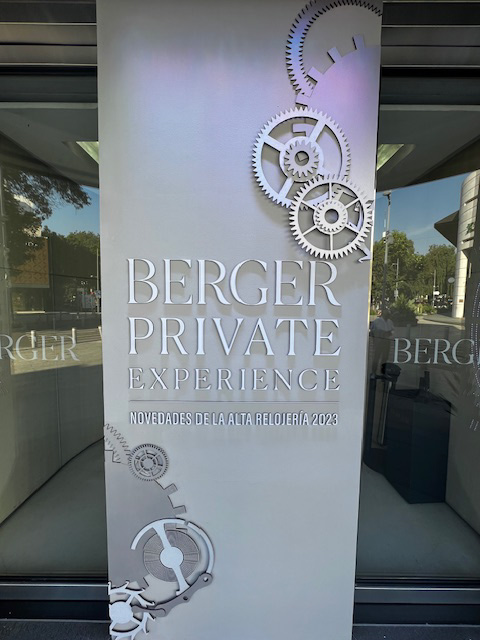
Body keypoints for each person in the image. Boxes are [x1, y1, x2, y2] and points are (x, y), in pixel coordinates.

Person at [370, 309, 394, 374]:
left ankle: (383, 372)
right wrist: (379, 334)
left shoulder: (390, 322)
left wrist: (389, 333)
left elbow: (392, 330)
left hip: (387, 341)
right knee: (376, 357)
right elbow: (372, 331)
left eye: (388, 314)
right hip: (379, 342)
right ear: (383, 314)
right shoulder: (377, 321)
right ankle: (373, 372)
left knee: (385, 357)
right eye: (386, 314)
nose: (388, 315)